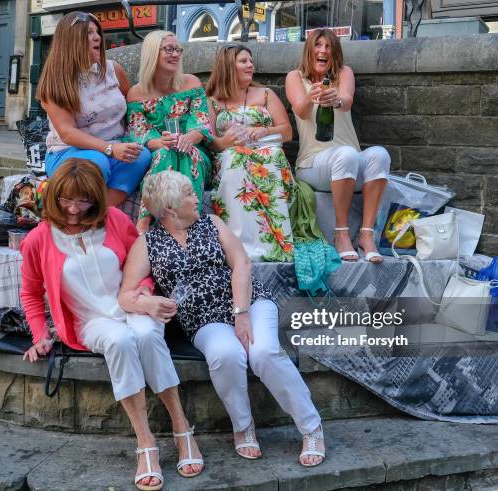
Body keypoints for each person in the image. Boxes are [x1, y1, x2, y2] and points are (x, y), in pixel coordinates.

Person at [119, 170, 326, 467]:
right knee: (225, 354)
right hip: (202, 318)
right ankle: (243, 427)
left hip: (249, 302)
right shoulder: (147, 243)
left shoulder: (212, 222)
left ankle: (311, 427)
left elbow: (241, 263)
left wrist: (241, 313)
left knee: (264, 352)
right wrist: (149, 304)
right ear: (168, 209)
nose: (197, 198)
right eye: (190, 193)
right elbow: (125, 296)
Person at [20, 159, 203, 491]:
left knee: (147, 334)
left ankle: (181, 427)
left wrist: (145, 293)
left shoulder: (116, 221)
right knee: (119, 341)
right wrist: (40, 336)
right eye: (65, 199)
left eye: (84, 200)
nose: (74, 209)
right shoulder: (38, 239)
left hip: (131, 303)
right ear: (54, 195)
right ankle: (145, 442)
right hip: (89, 321)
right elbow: (31, 293)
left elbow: (143, 266)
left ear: (96, 198)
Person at [285, 28, 391, 263]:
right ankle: (341, 233)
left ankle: (366, 234)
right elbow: (301, 112)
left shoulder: (344, 73)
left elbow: (346, 101)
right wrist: (311, 96)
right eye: (318, 45)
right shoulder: (295, 77)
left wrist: (337, 99)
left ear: (335, 53)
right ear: (309, 50)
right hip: (313, 165)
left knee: (379, 155)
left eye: (329, 47)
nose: (323, 51)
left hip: (348, 161)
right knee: (347, 155)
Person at [36, 12, 151, 208]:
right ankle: (82, 218)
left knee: (140, 156)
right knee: (97, 162)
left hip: (114, 147)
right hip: (69, 152)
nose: (97, 37)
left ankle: (103, 212)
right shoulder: (56, 81)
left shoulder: (113, 70)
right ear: (72, 40)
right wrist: (109, 149)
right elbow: (67, 133)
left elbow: (133, 105)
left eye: (97, 32)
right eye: (89, 33)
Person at [205, 44, 295, 263]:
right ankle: (240, 243)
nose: (250, 65)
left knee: (272, 156)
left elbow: (287, 132)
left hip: (266, 152)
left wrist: (265, 129)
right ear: (228, 66)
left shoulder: (265, 94)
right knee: (235, 160)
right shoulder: (213, 100)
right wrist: (224, 142)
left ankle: (277, 243)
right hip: (230, 154)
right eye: (243, 61)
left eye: (251, 61)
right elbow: (209, 141)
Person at [126, 30, 213, 233]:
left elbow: (202, 123)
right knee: (166, 154)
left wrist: (189, 138)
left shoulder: (191, 83)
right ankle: (144, 223)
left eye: (178, 50)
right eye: (169, 49)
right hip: (161, 152)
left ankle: (192, 223)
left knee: (187, 153)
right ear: (152, 53)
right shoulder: (136, 93)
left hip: (195, 152)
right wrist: (160, 142)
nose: (175, 54)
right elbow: (138, 132)